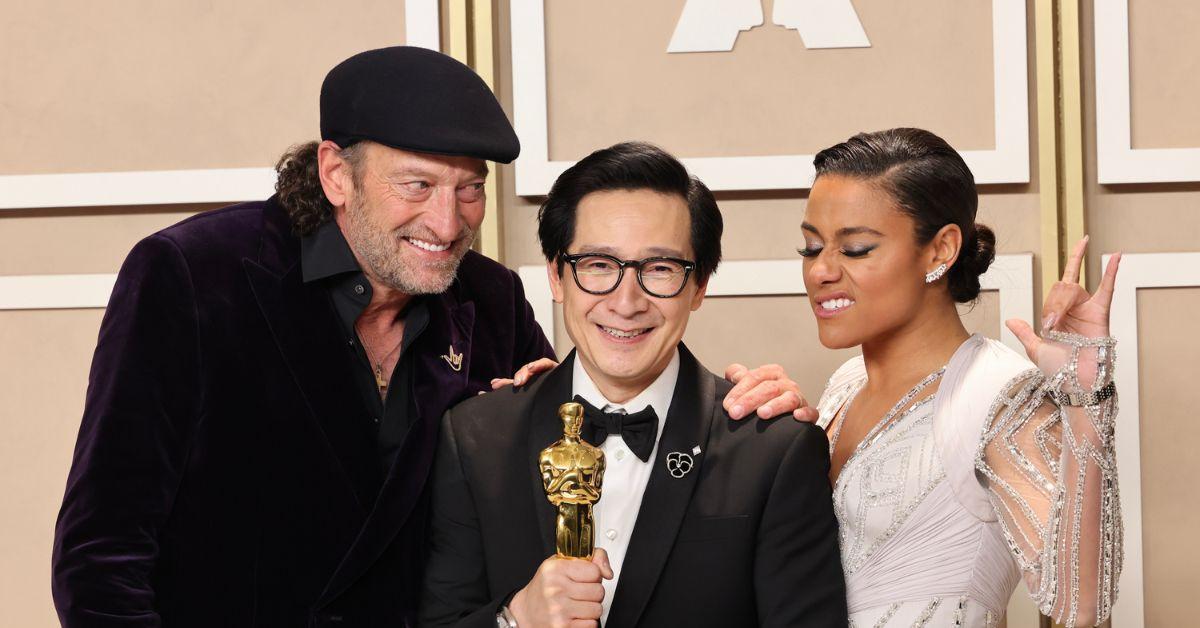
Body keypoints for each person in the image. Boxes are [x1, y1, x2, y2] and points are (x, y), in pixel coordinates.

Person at [51, 47, 809, 627]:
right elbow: (103, 552)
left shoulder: (489, 295)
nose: (449, 225)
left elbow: (556, 445)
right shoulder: (192, 275)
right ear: (335, 174)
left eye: (470, 188)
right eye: (417, 185)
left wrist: (728, 407)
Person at [419, 142, 848, 628]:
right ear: (557, 277)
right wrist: (514, 620)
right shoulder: (474, 436)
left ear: (699, 286)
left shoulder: (774, 450)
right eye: (598, 265)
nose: (626, 302)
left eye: (660, 269)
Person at [802, 128, 1122, 627]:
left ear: (940, 250)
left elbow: (1080, 606)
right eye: (811, 247)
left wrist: (1087, 399)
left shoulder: (997, 392)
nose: (820, 271)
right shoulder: (844, 384)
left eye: (856, 248)